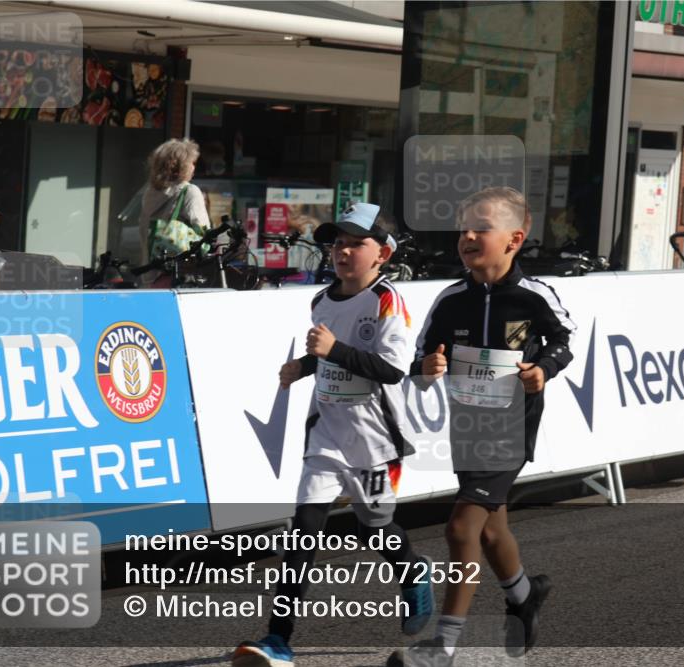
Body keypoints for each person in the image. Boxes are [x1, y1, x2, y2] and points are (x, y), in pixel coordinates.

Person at [232, 203, 434, 667]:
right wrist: (303, 367)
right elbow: (329, 355)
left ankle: (411, 570)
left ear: (382, 253)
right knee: (303, 533)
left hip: (374, 439)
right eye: (338, 243)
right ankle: (278, 639)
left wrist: (332, 350)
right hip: (325, 433)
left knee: (374, 528)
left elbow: (392, 369)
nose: (343, 251)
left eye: (356, 243)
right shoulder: (321, 300)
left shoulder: (387, 301)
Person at [389, 187, 575, 667]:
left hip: (512, 425)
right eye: (463, 229)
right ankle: (524, 595)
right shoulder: (451, 299)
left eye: (481, 228)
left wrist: (542, 370)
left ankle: (444, 645)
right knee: (491, 530)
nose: (468, 237)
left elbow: (564, 339)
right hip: (468, 423)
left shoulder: (534, 295)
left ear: (514, 239)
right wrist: (428, 366)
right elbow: (421, 356)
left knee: (461, 527)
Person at [140, 138, 212, 265]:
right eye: (192, 163)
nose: (194, 167)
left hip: (150, 269)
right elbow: (204, 235)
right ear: (182, 167)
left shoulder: (150, 193)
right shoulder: (189, 191)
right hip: (180, 271)